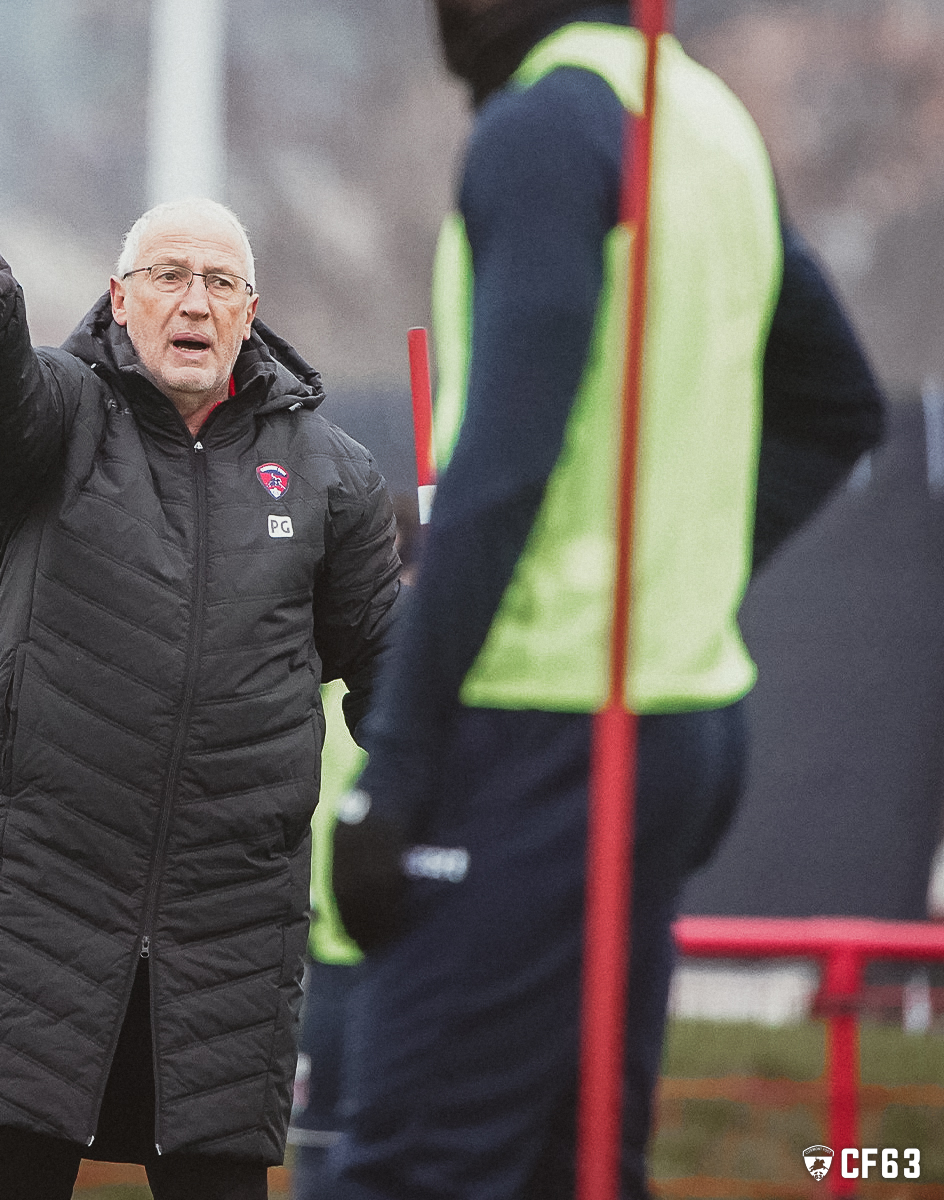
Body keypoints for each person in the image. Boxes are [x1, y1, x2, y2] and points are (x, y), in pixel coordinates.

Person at [328, 2, 885, 1197]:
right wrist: (673, 574)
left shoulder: (548, 127)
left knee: (409, 1166)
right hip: (676, 726)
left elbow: (509, 457)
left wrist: (394, 766)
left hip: (544, 730)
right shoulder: (705, 123)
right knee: (570, 1166)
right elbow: (838, 402)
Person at [0, 197, 402, 1200]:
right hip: (43, 906)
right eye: (168, 276)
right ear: (120, 301)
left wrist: (441, 786)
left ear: (249, 312)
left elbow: (390, 677)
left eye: (218, 282)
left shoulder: (330, 477)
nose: (194, 301)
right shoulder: (61, 416)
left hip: (232, 935)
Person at [289, 492, 421, 1199]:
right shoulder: (315, 646)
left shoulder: (431, 655)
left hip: (412, 950)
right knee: (322, 1151)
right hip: (329, 955)